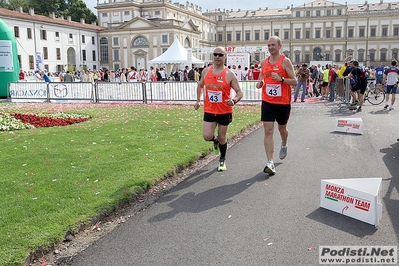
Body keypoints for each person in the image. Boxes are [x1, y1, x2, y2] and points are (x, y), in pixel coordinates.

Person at [194, 46, 243, 171]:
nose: (217, 57)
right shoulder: (206, 71)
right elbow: (200, 86)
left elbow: (239, 92)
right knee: (206, 136)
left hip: (224, 111)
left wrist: (233, 101)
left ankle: (222, 159)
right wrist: (199, 101)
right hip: (209, 110)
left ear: (225, 56)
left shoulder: (229, 74)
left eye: (220, 55)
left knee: (222, 137)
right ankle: (214, 141)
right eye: (215, 54)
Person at [256, 36, 297, 175]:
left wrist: (282, 79)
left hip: (282, 102)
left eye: (273, 45)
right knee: (268, 131)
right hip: (267, 101)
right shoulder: (263, 62)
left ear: (280, 46)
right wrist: (260, 82)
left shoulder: (285, 61)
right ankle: (270, 162)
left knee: (282, 129)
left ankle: (284, 144)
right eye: (268, 45)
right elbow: (262, 76)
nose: (270, 47)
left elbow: (295, 81)